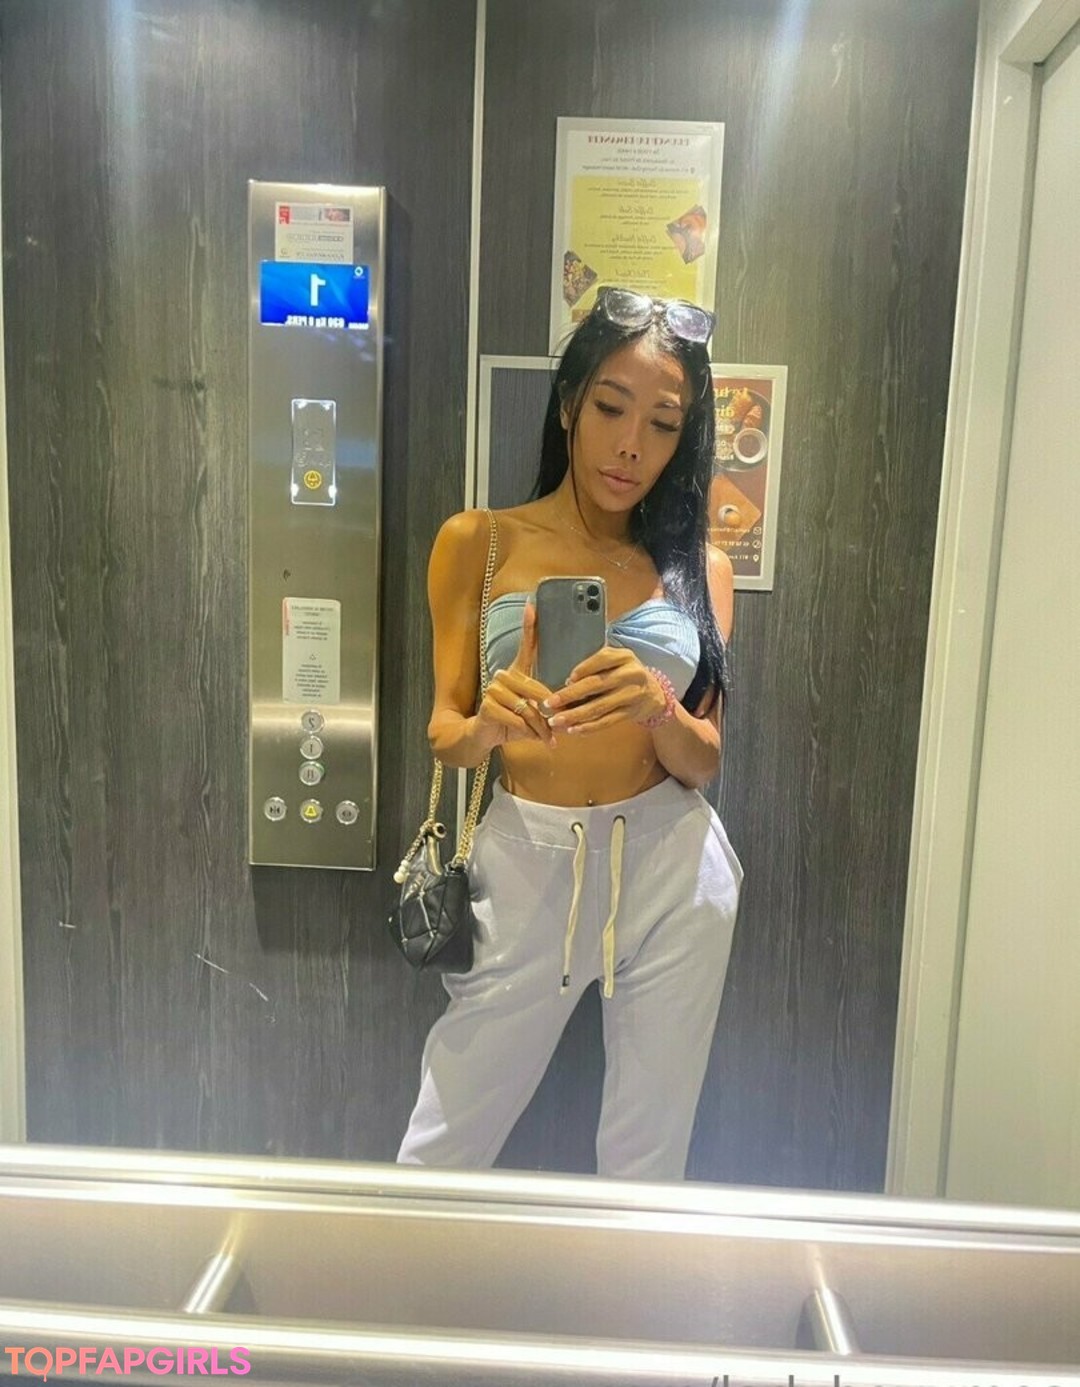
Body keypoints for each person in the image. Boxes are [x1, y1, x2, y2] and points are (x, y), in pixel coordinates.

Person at [397, 287, 743, 1181]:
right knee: (444, 1140)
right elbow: (444, 733)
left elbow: (704, 760)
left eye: (663, 424)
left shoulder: (699, 567)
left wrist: (658, 705)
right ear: (567, 405)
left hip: (672, 863)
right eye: (611, 408)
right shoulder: (479, 542)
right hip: (527, 857)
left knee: (648, 1155)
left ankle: (628, 1281)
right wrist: (489, 722)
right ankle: (398, 1270)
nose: (632, 445)